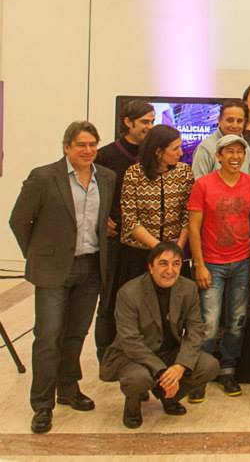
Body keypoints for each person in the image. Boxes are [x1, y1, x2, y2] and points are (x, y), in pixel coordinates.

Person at [9, 121, 118, 434]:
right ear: (66, 147)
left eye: (92, 144)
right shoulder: (44, 177)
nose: (88, 150)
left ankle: (68, 389)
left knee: (75, 334)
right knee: (48, 338)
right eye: (81, 145)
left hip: (91, 267)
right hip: (55, 270)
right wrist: (39, 254)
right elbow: (19, 221)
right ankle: (42, 405)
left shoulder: (106, 177)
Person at [99, 242, 219, 429]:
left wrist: (180, 366)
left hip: (169, 351)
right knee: (138, 379)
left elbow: (195, 330)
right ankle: (132, 404)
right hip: (133, 356)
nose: (170, 270)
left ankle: (168, 397)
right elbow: (130, 340)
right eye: (163, 263)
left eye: (176, 264)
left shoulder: (188, 288)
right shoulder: (129, 293)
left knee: (209, 366)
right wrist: (162, 371)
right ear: (150, 267)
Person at [187, 134, 250, 401]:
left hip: (242, 262)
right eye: (229, 152)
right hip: (211, 263)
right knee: (209, 323)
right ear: (218, 156)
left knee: (237, 321)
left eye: (239, 152)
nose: (235, 157)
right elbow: (194, 227)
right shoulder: (203, 185)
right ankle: (201, 373)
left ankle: (228, 370)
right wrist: (199, 265)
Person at [93, 99, 155, 357]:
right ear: (127, 122)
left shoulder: (152, 156)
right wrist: (101, 218)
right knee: (109, 297)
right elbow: (89, 192)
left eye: (152, 122)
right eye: (144, 122)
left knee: (138, 299)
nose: (149, 127)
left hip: (141, 239)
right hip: (114, 238)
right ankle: (106, 355)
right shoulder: (105, 155)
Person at [118, 125, 194, 286]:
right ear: (158, 152)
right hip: (138, 253)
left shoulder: (184, 172)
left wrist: (178, 248)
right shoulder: (134, 174)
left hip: (175, 251)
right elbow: (130, 218)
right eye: (175, 149)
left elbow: (188, 214)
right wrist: (158, 247)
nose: (180, 153)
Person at [191, 100, 250, 178]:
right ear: (219, 120)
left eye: (239, 121)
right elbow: (198, 182)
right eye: (230, 120)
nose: (235, 125)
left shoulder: (246, 147)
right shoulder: (205, 148)